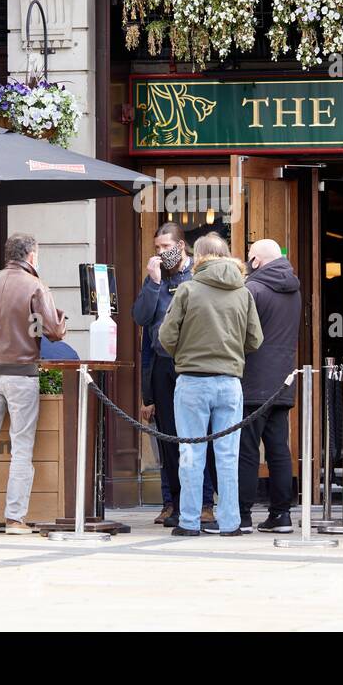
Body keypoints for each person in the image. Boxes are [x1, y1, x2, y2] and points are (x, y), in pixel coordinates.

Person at [0, 232, 67, 535]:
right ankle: (14, 519)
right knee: (21, 446)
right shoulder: (35, 286)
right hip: (21, 373)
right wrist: (61, 319)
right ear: (31, 255)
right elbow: (55, 331)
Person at [158, 232, 262, 537]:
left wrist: (185, 353)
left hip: (192, 380)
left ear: (199, 257)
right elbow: (255, 339)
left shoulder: (188, 290)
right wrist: (230, 351)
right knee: (228, 454)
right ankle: (230, 522)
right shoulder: (243, 292)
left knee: (192, 453)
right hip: (229, 381)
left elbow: (165, 337)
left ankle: (189, 521)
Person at [133, 222, 217, 528]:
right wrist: (153, 283)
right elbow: (141, 320)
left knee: (195, 437)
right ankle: (173, 501)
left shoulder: (197, 275)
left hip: (192, 364)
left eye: (165, 247)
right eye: (156, 248)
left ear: (181, 246)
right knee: (168, 438)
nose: (160, 253)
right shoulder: (155, 278)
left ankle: (205, 502)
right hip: (162, 366)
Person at [239, 238, 300, 535]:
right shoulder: (294, 289)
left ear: (257, 261)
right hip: (282, 380)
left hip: (252, 379)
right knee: (278, 450)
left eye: (249, 257)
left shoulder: (253, 289)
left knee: (247, 450)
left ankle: (243, 514)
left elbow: (243, 335)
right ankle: (282, 514)